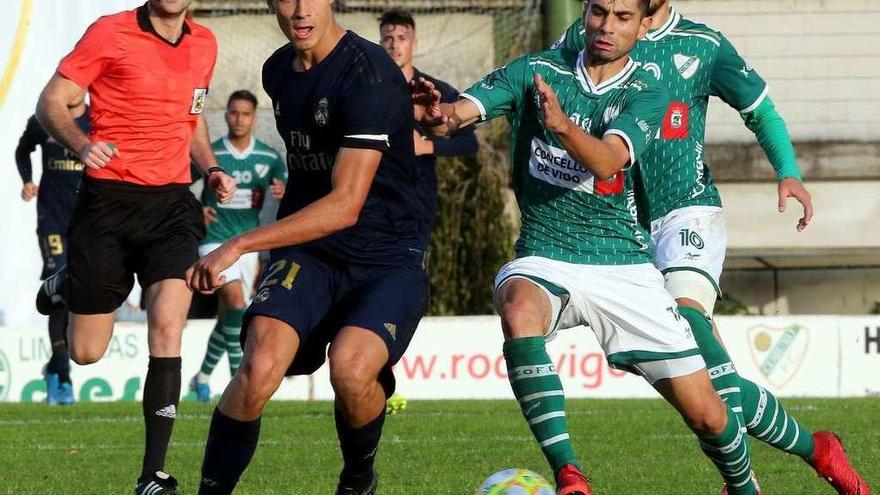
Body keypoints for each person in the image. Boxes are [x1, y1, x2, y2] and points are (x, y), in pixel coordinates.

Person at [413, 0, 760, 493]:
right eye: (599, 12)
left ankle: (746, 487)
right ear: (584, 13)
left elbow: (608, 161)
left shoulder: (648, 89)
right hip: (545, 253)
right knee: (517, 308)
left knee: (708, 417)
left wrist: (562, 127)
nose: (607, 26)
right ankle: (570, 474)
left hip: (623, 267)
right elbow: (458, 115)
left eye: (623, 17)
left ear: (643, 25)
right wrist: (439, 115)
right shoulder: (535, 71)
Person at [552, 2, 870, 493]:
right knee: (695, 393)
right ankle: (818, 449)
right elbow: (542, 83)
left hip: (688, 212)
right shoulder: (589, 32)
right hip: (619, 230)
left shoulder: (704, 45)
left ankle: (747, 483)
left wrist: (788, 172)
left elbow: (758, 107)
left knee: (692, 323)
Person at [188, 1, 427, 494]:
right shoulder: (278, 70)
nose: (300, 10)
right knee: (256, 368)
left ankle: (358, 480)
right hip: (311, 252)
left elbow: (344, 205)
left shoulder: (369, 75)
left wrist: (238, 245)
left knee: (351, 368)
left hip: (385, 256)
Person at [33, 1, 236, 493]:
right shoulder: (110, 32)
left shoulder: (204, 43)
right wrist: (81, 147)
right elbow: (50, 102)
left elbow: (194, 116)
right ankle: (69, 283)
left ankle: (154, 474)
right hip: (108, 203)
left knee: (167, 326)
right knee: (85, 353)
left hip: (170, 207)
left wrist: (208, 167)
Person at [189, 89, 287, 403]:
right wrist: (195, 209)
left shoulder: (268, 158)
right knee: (234, 306)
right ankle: (238, 383)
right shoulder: (211, 155)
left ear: (254, 118)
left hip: (248, 245)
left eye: (245, 113)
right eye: (233, 112)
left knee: (231, 318)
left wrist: (284, 189)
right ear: (226, 115)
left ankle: (202, 377)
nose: (239, 119)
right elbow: (177, 182)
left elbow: (289, 187)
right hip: (215, 242)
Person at [378, 8, 478, 246]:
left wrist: (427, 146)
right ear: (380, 42)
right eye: (388, 39)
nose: (394, 45)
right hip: (372, 199)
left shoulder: (434, 89)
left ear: (414, 43)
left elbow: (469, 142)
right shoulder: (368, 86)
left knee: (409, 273)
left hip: (415, 201)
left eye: (402, 38)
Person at [15, 102, 90, 405]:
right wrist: (27, 180)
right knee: (60, 294)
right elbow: (23, 149)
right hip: (53, 222)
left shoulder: (99, 119)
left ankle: (55, 368)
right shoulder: (45, 118)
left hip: (86, 224)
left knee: (76, 295)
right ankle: (63, 376)